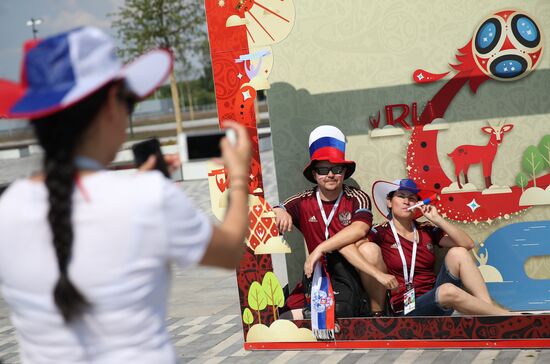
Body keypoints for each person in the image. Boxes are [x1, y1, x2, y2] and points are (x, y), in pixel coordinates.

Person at [0, 27, 251, 363]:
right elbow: (231, 250)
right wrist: (238, 176)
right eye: (130, 101)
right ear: (109, 105)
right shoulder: (148, 198)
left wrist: (142, 185)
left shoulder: (8, 207)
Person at [274, 125, 398, 319]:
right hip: (318, 273)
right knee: (285, 319)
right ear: (314, 174)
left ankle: (378, 315)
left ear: (344, 172)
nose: (330, 174)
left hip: (355, 270)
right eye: (323, 169)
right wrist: (279, 210)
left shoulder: (357, 197)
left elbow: (359, 229)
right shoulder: (303, 200)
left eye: (336, 169)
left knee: (370, 250)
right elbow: (274, 211)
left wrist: (319, 248)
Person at [367, 178, 509, 316]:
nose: (406, 201)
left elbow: (467, 244)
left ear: (417, 204)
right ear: (389, 202)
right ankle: (503, 316)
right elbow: (358, 249)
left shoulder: (425, 229)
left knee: (458, 252)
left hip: (435, 298)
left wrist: (437, 219)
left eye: (412, 198)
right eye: (401, 196)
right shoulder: (380, 231)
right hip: (405, 308)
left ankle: (489, 311)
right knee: (447, 291)